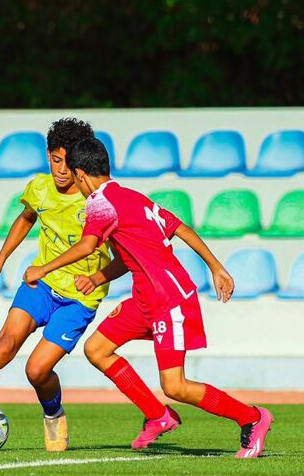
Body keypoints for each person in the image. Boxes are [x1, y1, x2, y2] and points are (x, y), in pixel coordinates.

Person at [23, 136, 273, 457]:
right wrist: (215, 266)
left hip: (169, 300)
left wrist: (42, 269)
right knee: (97, 349)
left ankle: (252, 418)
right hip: (145, 299)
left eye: (73, 176)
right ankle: (158, 415)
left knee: (175, 386)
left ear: (81, 175)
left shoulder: (99, 203)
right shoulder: (132, 197)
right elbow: (177, 229)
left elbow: (87, 246)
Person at [0, 118, 114, 452]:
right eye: (55, 160)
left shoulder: (98, 199)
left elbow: (119, 250)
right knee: (4, 343)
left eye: (68, 163)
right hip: (42, 286)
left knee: (36, 370)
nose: (61, 170)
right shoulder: (39, 187)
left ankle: (53, 412)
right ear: (48, 155)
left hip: (79, 298)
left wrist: (99, 278)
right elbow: (27, 218)